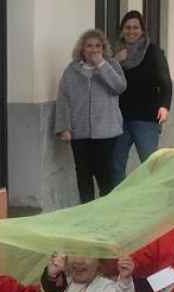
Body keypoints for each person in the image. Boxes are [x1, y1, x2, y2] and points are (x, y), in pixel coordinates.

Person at [54, 29, 127, 204]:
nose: (93, 50)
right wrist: (64, 127)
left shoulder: (111, 66)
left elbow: (119, 87)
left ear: (103, 48)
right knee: (83, 174)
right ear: (82, 49)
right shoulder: (72, 70)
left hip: (106, 132)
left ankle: (107, 211)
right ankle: (86, 211)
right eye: (89, 46)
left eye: (97, 46)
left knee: (104, 175)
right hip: (80, 132)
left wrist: (101, 65)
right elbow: (63, 99)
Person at [110, 10, 173, 186]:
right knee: (115, 165)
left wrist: (164, 106)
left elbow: (165, 81)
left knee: (150, 165)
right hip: (119, 118)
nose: (131, 31)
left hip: (146, 118)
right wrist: (116, 60)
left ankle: (153, 201)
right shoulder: (115, 52)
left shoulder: (153, 51)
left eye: (135, 27)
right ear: (122, 30)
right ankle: (118, 204)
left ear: (142, 30)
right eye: (127, 27)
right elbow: (104, 76)